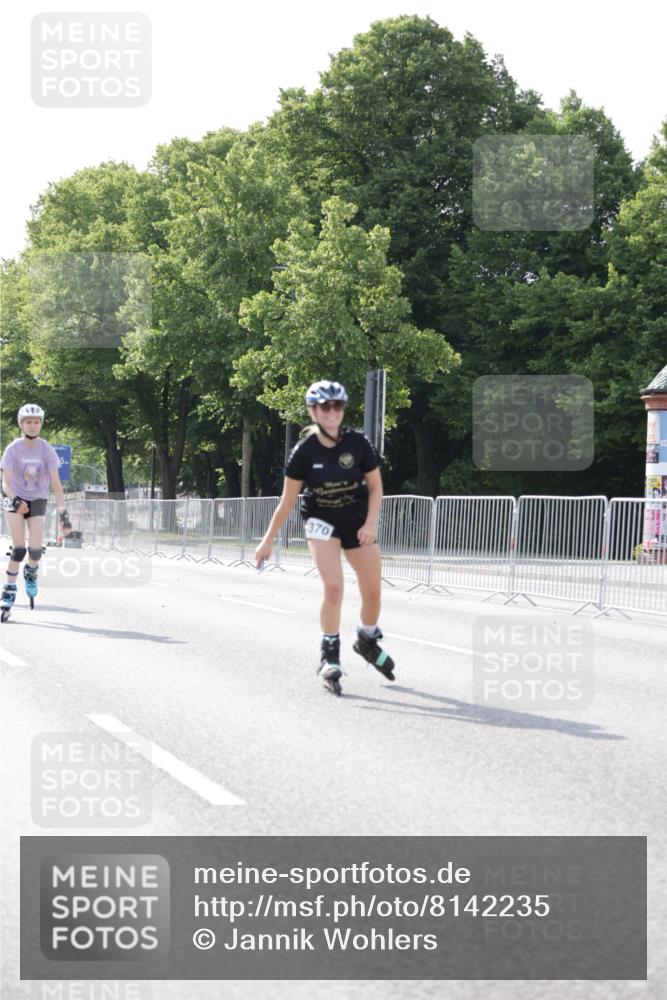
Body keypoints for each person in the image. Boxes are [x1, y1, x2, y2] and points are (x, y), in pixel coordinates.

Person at [255, 380, 395, 687]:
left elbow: (376, 486)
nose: (332, 412)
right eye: (324, 407)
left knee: (373, 591)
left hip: (356, 519)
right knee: (334, 587)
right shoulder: (303, 452)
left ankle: (367, 639)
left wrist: (371, 523)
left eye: (337, 406)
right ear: (313, 411)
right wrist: (267, 540)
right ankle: (329, 655)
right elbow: (287, 501)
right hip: (321, 520)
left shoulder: (358, 443)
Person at [1, 404, 68, 613]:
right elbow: (5, 483)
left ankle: (31, 571)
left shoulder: (46, 449)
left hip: (37, 499)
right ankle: (9, 589)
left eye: (37, 422)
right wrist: (15, 500)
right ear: (21, 424)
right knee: (19, 549)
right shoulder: (13, 449)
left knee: (35, 550)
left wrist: (63, 514)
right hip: (14, 498)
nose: (33, 426)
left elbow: (56, 485)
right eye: (29, 422)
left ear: (41, 424)